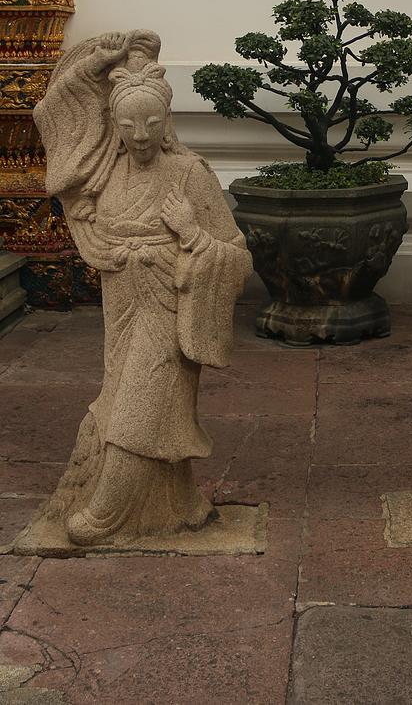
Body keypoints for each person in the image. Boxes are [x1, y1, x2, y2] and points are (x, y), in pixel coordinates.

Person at [33, 31, 252, 546]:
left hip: (170, 306)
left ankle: (109, 512)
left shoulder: (189, 173)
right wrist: (95, 61)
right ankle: (175, 503)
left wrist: (193, 236)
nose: (140, 135)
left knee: (140, 404)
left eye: (151, 123)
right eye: (128, 125)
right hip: (123, 309)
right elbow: (52, 113)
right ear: (114, 124)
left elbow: (236, 253)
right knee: (130, 402)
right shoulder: (104, 176)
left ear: (167, 121)